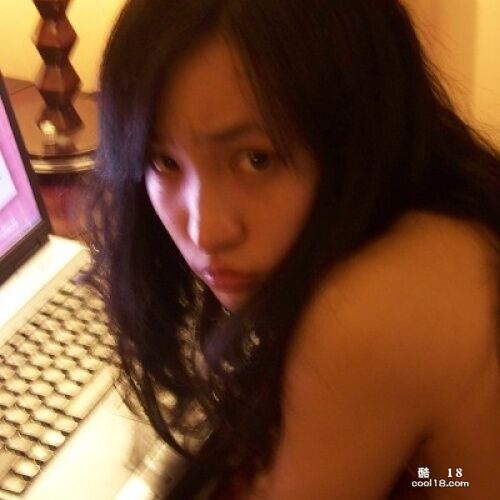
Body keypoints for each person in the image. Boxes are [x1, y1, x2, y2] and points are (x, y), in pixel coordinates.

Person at [87, 0, 500, 498]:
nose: (205, 233)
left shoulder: (369, 313)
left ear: (357, 125)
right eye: (163, 161)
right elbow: (441, 476)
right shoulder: (441, 207)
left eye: (256, 159)